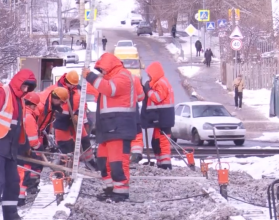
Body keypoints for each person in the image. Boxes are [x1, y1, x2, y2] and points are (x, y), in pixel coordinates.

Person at [82, 52, 137, 202]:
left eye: (103, 69)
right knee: (103, 161)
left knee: (117, 161)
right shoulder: (110, 78)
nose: (102, 72)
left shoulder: (123, 76)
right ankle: (110, 188)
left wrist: (90, 77)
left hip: (119, 126)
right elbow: (100, 88)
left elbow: (109, 89)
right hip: (108, 127)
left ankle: (121, 191)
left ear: (109, 66)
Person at [0, 69, 37, 220]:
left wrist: (25, 147)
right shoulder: (4, 93)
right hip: (1, 146)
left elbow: (18, 128)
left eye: (29, 87)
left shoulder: (19, 101)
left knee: (13, 183)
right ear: (18, 82)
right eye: (25, 86)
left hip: (10, 150)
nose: (26, 90)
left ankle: (11, 215)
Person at [45, 71, 97, 170]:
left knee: (85, 141)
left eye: (74, 85)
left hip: (75, 120)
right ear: (66, 80)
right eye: (71, 84)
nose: (73, 87)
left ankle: (90, 162)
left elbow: (83, 103)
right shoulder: (56, 89)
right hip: (61, 121)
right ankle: (67, 167)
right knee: (67, 146)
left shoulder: (78, 89)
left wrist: (78, 113)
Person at [141, 61, 175, 170]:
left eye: (150, 75)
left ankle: (165, 164)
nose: (149, 78)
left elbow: (157, 98)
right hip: (160, 118)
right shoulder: (158, 82)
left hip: (163, 118)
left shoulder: (161, 83)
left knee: (162, 142)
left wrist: (148, 90)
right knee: (156, 142)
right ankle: (160, 163)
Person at [17, 92, 42, 207]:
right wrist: (38, 149)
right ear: (32, 105)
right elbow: (32, 140)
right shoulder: (29, 117)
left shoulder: (19, 112)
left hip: (13, 147)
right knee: (23, 172)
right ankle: (20, 198)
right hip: (23, 149)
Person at [130, 75, 145, 163]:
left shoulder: (112, 78)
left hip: (117, 111)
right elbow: (141, 97)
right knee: (136, 133)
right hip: (133, 109)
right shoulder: (134, 78)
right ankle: (136, 154)